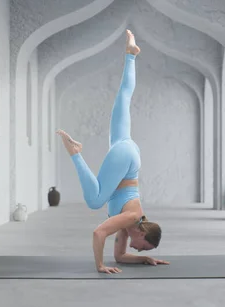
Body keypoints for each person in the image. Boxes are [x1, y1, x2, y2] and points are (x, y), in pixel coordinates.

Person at [56, 29, 169, 274]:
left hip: (129, 154)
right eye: (143, 248)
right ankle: (75, 152)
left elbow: (119, 256)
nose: (139, 250)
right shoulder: (131, 218)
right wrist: (99, 265)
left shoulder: (131, 224)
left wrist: (144, 261)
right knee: (95, 200)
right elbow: (99, 233)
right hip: (126, 159)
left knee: (124, 98)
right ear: (141, 233)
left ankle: (131, 54)